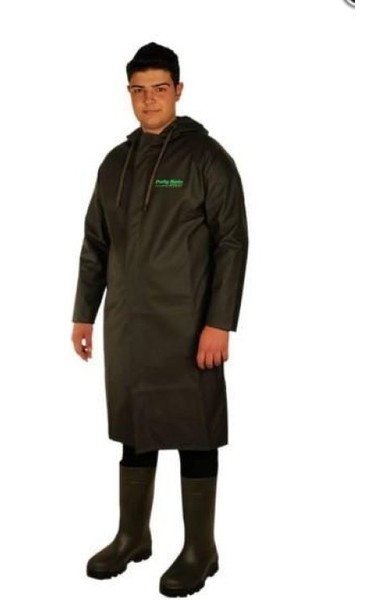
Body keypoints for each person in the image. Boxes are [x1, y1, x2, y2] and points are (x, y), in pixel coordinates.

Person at [71, 41, 248, 597]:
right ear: (129, 93)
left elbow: (232, 242)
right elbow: (95, 244)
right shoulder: (114, 164)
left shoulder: (206, 158)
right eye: (138, 90)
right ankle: (133, 536)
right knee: (135, 428)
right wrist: (84, 314)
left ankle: (200, 549)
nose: (148, 100)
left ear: (178, 90)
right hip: (128, 324)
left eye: (159, 88)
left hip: (189, 325)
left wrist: (220, 322)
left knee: (195, 431)